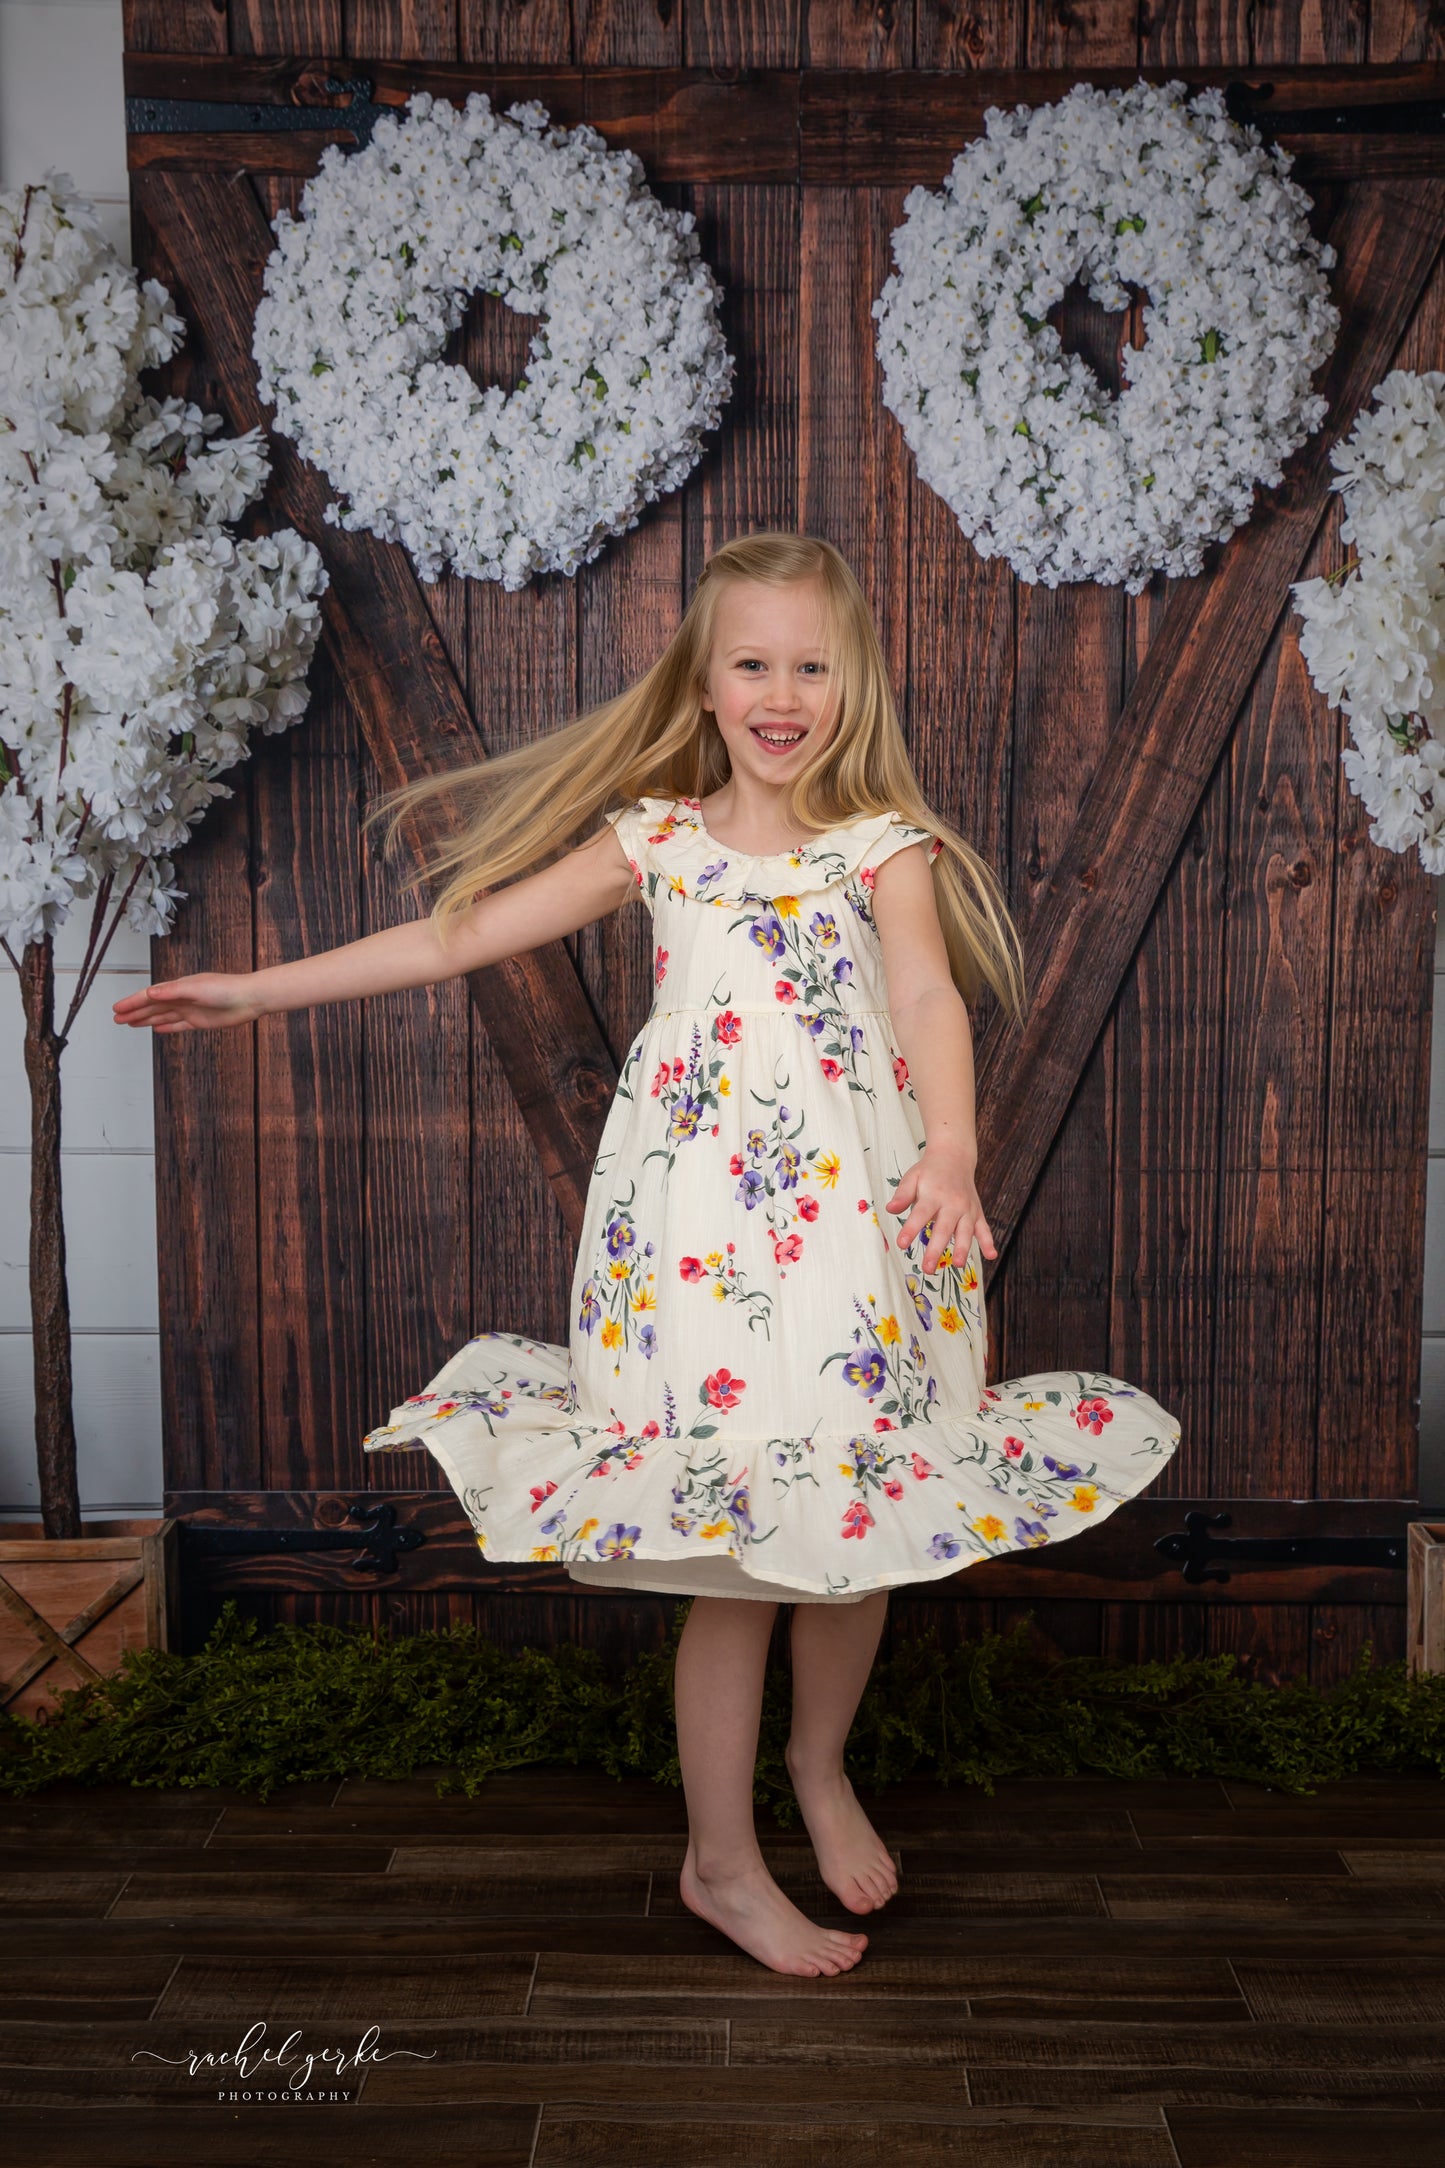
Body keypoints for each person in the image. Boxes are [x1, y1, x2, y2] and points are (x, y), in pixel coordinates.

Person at [114, 530, 1182, 1979]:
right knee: (733, 1555)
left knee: (854, 1525)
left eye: (812, 663)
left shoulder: (883, 848)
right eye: (753, 661)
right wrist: (252, 990)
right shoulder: (657, 839)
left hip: (864, 1228)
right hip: (694, 1238)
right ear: (703, 678)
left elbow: (929, 998)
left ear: (852, 681)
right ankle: (720, 1864)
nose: (782, 690)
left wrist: (949, 1148)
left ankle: (815, 1766)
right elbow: (461, 936)